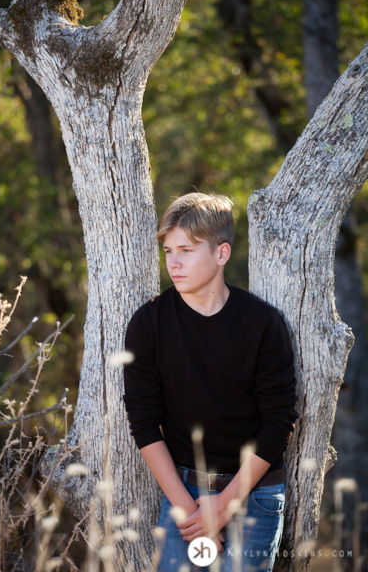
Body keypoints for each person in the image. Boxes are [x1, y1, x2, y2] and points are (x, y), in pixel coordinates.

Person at [123, 193, 298, 572]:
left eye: (186, 250)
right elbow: (142, 422)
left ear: (221, 254)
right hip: (183, 494)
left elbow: (278, 422)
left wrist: (224, 506)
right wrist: (191, 511)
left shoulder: (263, 324)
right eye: (168, 251)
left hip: (256, 494)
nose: (174, 262)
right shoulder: (149, 324)